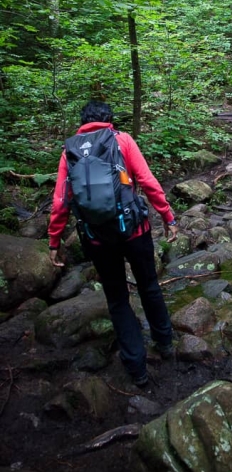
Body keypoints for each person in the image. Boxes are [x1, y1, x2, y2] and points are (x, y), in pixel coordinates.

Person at [48, 100, 178, 387]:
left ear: (83, 122)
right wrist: (168, 216)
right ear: (109, 119)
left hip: (97, 238)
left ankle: (137, 369)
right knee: (149, 286)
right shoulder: (122, 140)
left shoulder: (69, 151)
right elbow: (146, 180)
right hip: (134, 230)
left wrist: (54, 240)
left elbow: (61, 202)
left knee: (117, 299)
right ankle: (165, 342)